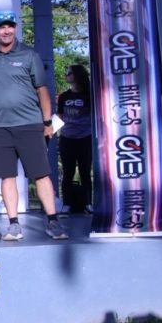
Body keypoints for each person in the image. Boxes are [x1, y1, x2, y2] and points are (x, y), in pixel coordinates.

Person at [0, 11, 69, 240]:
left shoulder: (29, 54)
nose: (6, 31)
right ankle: (14, 224)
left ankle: (53, 221)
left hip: (29, 125)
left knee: (41, 175)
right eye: (2, 27)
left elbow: (42, 89)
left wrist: (47, 122)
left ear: (15, 28)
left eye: (10, 26)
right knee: (6, 177)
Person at [57, 64, 93, 213]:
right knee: (68, 171)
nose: (66, 76)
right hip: (67, 138)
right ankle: (67, 204)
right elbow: (60, 116)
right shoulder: (64, 96)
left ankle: (88, 204)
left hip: (85, 138)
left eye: (69, 73)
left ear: (77, 75)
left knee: (85, 171)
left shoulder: (90, 95)